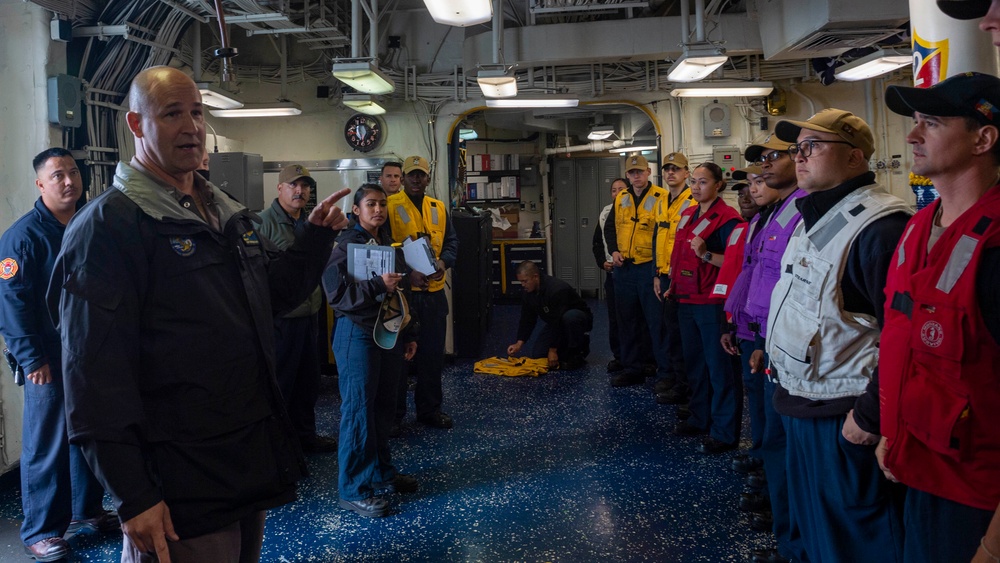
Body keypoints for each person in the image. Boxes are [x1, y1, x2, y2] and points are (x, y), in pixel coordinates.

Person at [48, 66, 350, 563]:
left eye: (196, 112)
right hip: (176, 477)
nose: (191, 126)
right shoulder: (108, 228)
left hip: (242, 458)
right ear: (136, 125)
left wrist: (315, 240)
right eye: (171, 114)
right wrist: (134, 496)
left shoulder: (223, 211)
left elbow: (270, 298)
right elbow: (92, 376)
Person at [765, 108, 911, 562]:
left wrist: (869, 418)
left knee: (856, 541)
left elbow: (902, 340)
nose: (799, 157)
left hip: (842, 416)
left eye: (813, 147)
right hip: (803, 403)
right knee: (820, 537)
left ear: (854, 157)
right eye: (797, 148)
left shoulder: (880, 228)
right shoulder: (815, 217)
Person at [875, 72, 1000, 563]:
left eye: (930, 122)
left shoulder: (994, 250)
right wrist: (891, 430)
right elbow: (903, 339)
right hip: (915, 468)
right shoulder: (918, 227)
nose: (911, 135)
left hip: (977, 502)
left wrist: (993, 545)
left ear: (983, 138)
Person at [0, 148, 119, 562]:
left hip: (90, 351)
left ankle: (87, 511)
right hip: (48, 359)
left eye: (72, 173)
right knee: (47, 444)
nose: (69, 181)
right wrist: (32, 360)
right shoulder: (23, 237)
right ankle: (41, 531)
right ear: (40, 184)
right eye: (58, 176)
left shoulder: (90, 224)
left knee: (90, 433)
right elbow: (12, 306)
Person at [325, 184, 419, 518]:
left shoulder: (381, 244)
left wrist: (408, 332)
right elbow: (336, 295)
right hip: (357, 335)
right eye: (370, 204)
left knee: (383, 408)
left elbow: (398, 295)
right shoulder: (343, 246)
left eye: (381, 204)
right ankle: (353, 490)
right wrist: (378, 285)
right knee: (359, 412)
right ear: (356, 210)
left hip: (387, 334)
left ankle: (380, 473)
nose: (377, 209)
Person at [741, 134, 809, 563]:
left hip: (801, 356)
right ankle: (789, 541)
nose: (762, 169)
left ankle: (796, 545)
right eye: (760, 160)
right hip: (770, 341)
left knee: (790, 453)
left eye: (772, 157)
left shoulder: (804, 214)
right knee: (776, 444)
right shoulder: (775, 214)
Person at [255, 164, 338, 454]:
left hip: (310, 314)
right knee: (282, 384)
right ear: (279, 188)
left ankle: (305, 436)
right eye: (293, 185)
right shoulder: (261, 224)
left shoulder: (311, 223)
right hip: (282, 320)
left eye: (304, 186)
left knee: (308, 383)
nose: (299, 191)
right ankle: (280, 446)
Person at [667, 162, 744, 454]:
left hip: (712, 303)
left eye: (703, 182)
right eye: (694, 182)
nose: (696, 187)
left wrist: (706, 253)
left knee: (720, 369)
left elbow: (734, 263)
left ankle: (724, 432)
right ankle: (700, 418)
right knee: (695, 366)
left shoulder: (728, 220)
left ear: (718, 185)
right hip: (686, 298)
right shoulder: (687, 214)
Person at [387, 155, 459, 430]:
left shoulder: (438, 207)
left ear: (428, 179)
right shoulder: (389, 207)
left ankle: (429, 410)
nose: (416, 180)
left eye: (421, 175)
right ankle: (394, 416)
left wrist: (443, 263)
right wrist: (407, 273)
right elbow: (385, 248)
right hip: (404, 295)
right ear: (403, 178)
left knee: (431, 357)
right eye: (411, 175)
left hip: (433, 294)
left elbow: (451, 242)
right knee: (398, 360)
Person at [602, 155, 670, 387]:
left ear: (648, 172)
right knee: (627, 322)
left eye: (639, 172)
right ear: (627, 175)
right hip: (625, 270)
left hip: (648, 268)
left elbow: (664, 233)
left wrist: (658, 269)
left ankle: (664, 372)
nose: (636, 176)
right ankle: (633, 368)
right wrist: (614, 251)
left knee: (656, 323)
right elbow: (610, 227)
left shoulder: (661, 197)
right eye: (632, 173)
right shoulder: (621, 197)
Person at [716, 167, 765, 476]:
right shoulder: (745, 228)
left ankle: (762, 460)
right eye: (744, 189)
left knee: (761, 397)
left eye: (755, 186)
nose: (746, 195)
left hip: (762, 329)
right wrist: (731, 322)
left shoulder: (758, 225)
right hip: (741, 320)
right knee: (755, 394)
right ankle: (759, 453)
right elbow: (739, 274)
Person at [652, 153, 695, 403]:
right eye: (667, 169)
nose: (671, 173)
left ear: (686, 173)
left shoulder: (692, 201)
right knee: (669, 330)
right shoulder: (661, 201)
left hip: (684, 277)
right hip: (665, 275)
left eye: (676, 169)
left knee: (682, 333)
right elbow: (659, 239)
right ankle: (675, 379)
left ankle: (686, 386)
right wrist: (657, 274)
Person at [506, 261, 593, 370]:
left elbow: (558, 320)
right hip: (555, 322)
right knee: (539, 354)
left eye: (525, 281)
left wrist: (553, 350)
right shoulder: (528, 293)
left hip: (575, 319)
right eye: (521, 282)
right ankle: (565, 351)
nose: (523, 285)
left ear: (535, 277)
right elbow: (527, 319)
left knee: (570, 317)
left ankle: (577, 352)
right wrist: (519, 343)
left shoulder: (557, 289)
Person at [591, 178, 627, 373]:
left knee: (634, 318)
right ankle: (619, 356)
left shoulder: (635, 210)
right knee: (614, 318)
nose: (617, 193)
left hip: (631, 271)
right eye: (614, 190)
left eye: (621, 189)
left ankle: (643, 358)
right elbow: (597, 242)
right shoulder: (605, 213)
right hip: (612, 274)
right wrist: (601, 263)